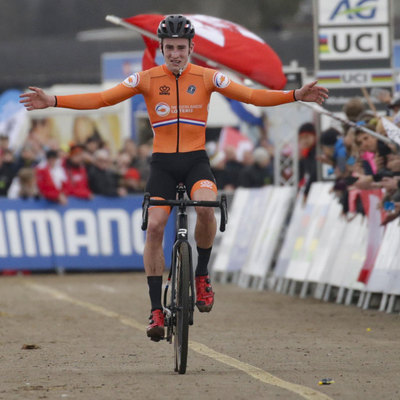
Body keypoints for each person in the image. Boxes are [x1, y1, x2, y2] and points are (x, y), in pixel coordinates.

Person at [19, 14, 329, 342]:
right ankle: (155, 308)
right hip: (163, 166)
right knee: (154, 227)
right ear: (162, 48)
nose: (176, 53)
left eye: (181, 47)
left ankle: (201, 275)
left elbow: (251, 96)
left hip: (196, 162)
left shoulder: (209, 77)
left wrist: (295, 95)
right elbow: (100, 99)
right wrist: (53, 101)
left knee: (207, 206)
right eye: (170, 47)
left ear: (192, 47)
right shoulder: (146, 79)